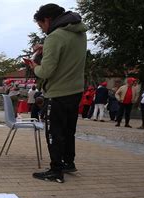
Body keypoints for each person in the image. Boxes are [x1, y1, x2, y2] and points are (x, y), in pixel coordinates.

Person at [26, 3, 87, 183]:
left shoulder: (54, 37)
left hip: (58, 92)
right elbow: (67, 53)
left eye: (41, 25)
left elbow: (46, 72)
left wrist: (34, 66)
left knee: (54, 132)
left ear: (48, 19)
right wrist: (46, 47)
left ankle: (55, 170)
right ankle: (69, 162)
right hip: (75, 89)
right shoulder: (80, 34)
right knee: (68, 130)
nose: (43, 30)